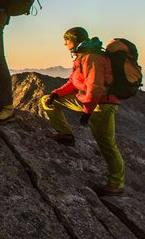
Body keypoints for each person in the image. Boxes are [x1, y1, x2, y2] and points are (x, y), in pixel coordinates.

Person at [41, 26, 125, 196]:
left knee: (106, 143)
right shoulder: (81, 56)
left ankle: (117, 184)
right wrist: (56, 94)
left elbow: (95, 88)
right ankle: (66, 135)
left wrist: (87, 112)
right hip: (88, 100)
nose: (65, 44)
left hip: (103, 104)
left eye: (67, 40)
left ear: (75, 40)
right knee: (46, 101)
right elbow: (73, 82)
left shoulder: (92, 57)